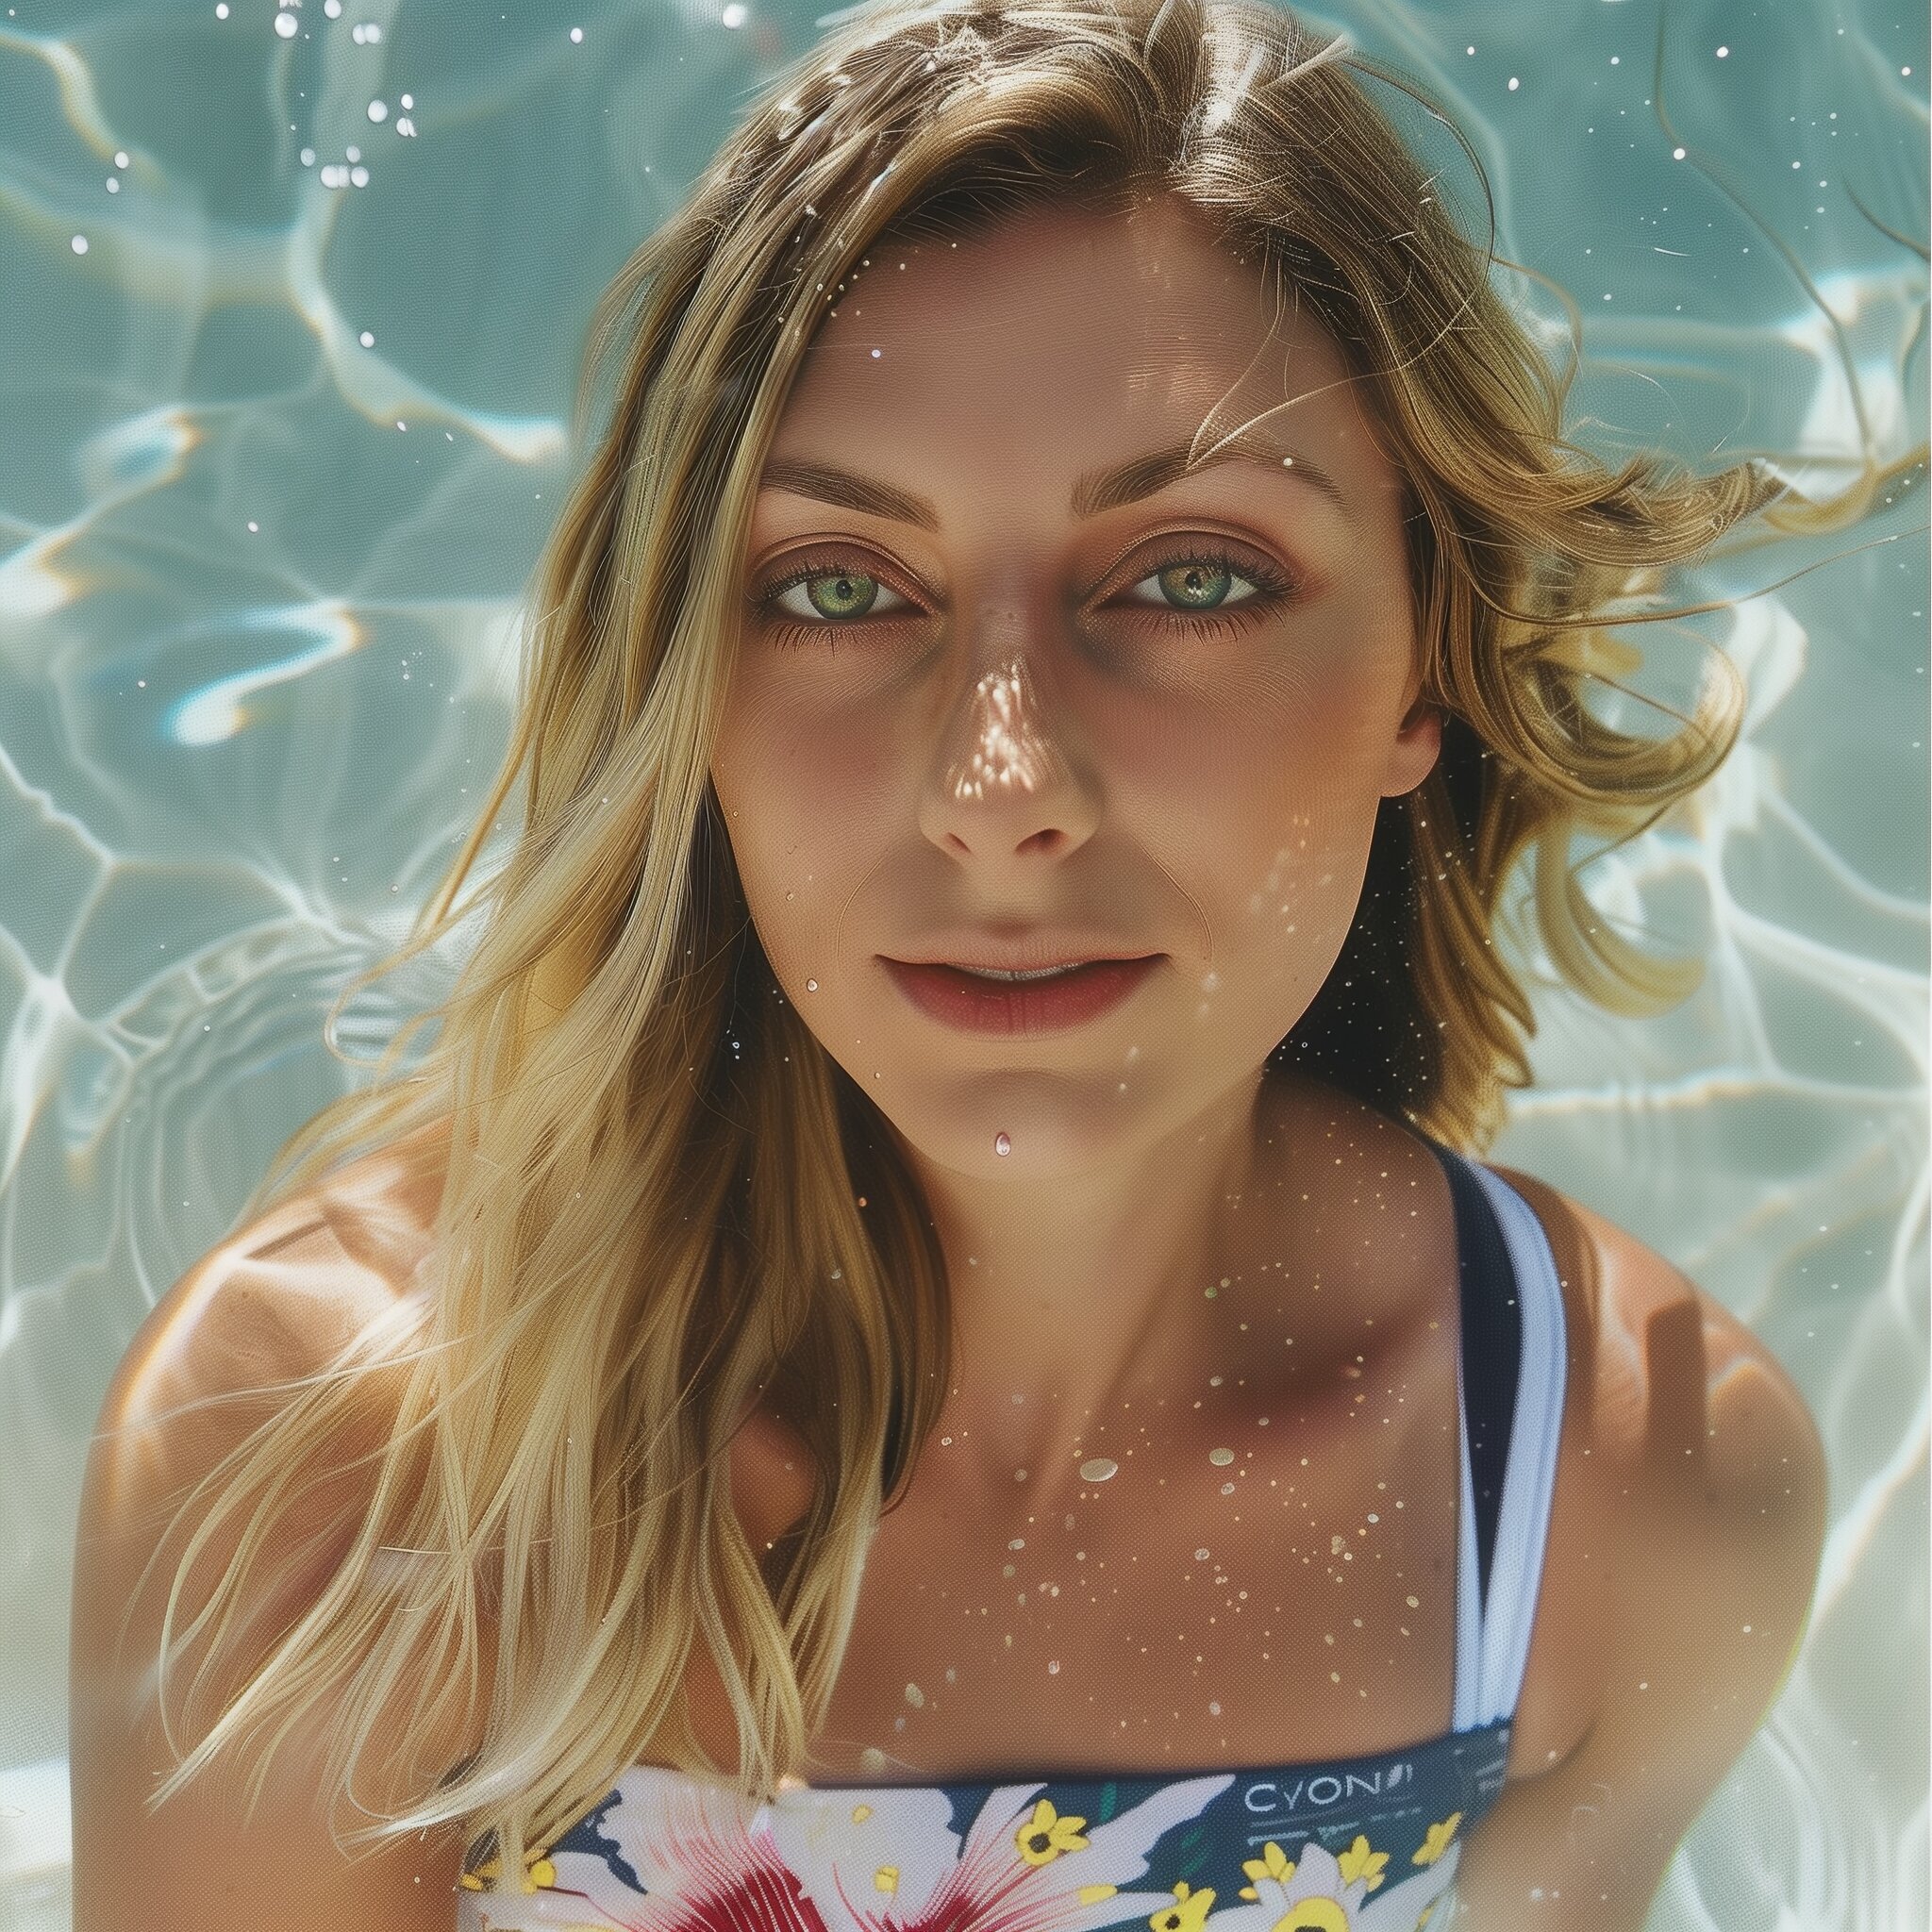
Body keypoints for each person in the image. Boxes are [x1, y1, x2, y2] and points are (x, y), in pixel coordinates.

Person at [69, 0, 1919, 1926]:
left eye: (1193, 577)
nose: (1000, 788)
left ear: (1423, 665)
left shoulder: (1618, 1499)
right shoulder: (337, 1456)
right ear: (686, 682)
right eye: (839, 588)